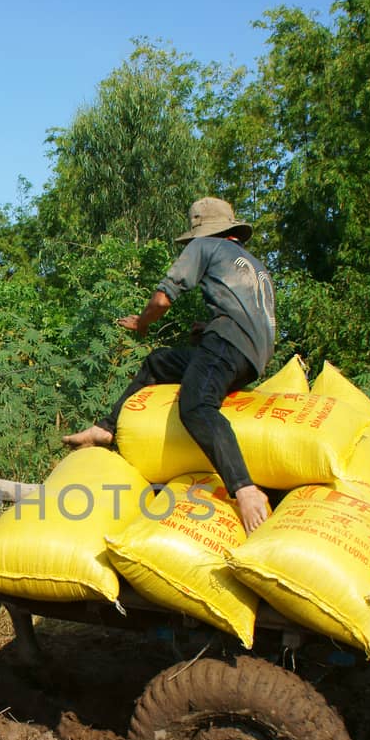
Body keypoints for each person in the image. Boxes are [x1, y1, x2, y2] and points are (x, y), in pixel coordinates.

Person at [63, 197, 277, 532]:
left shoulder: (205, 246)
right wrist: (207, 329)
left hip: (226, 343)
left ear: (203, 231)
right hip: (253, 357)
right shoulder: (256, 265)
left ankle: (245, 489)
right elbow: (252, 318)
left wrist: (142, 322)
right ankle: (105, 429)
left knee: (196, 406)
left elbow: (163, 297)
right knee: (159, 362)